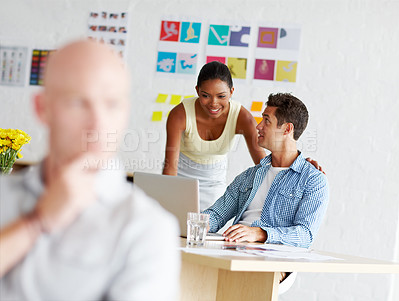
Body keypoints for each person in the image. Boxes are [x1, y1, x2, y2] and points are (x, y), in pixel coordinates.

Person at [0, 40, 180, 301]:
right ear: (42, 109)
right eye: (78, 102)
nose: (98, 123)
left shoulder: (146, 229)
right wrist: (36, 223)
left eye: (112, 104)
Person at [203, 92, 329, 247]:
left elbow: (305, 235)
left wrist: (260, 233)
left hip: (271, 258)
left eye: (267, 120)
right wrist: (197, 223)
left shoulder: (312, 180)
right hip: (234, 249)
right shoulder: (250, 175)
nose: (258, 126)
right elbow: (217, 214)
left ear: (287, 129)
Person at [163, 61, 266, 209]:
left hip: (214, 183)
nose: (213, 103)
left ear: (231, 92)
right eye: (206, 95)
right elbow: (170, 166)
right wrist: (166, 200)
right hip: (180, 179)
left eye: (221, 96)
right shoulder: (180, 114)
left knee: (208, 227)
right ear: (197, 90)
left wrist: (297, 168)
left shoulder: (242, 118)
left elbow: (262, 164)